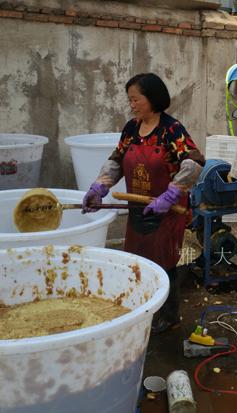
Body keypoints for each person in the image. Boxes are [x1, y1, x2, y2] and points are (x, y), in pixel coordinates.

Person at [83, 73, 205, 333]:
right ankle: (144, 310)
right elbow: (116, 161)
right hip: (138, 209)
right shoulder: (131, 129)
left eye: (135, 99)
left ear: (152, 98)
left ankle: (169, 315)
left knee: (165, 263)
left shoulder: (171, 130)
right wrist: (100, 186)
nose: (132, 104)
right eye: (130, 99)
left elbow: (194, 162)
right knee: (138, 260)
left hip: (168, 211)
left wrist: (171, 194)